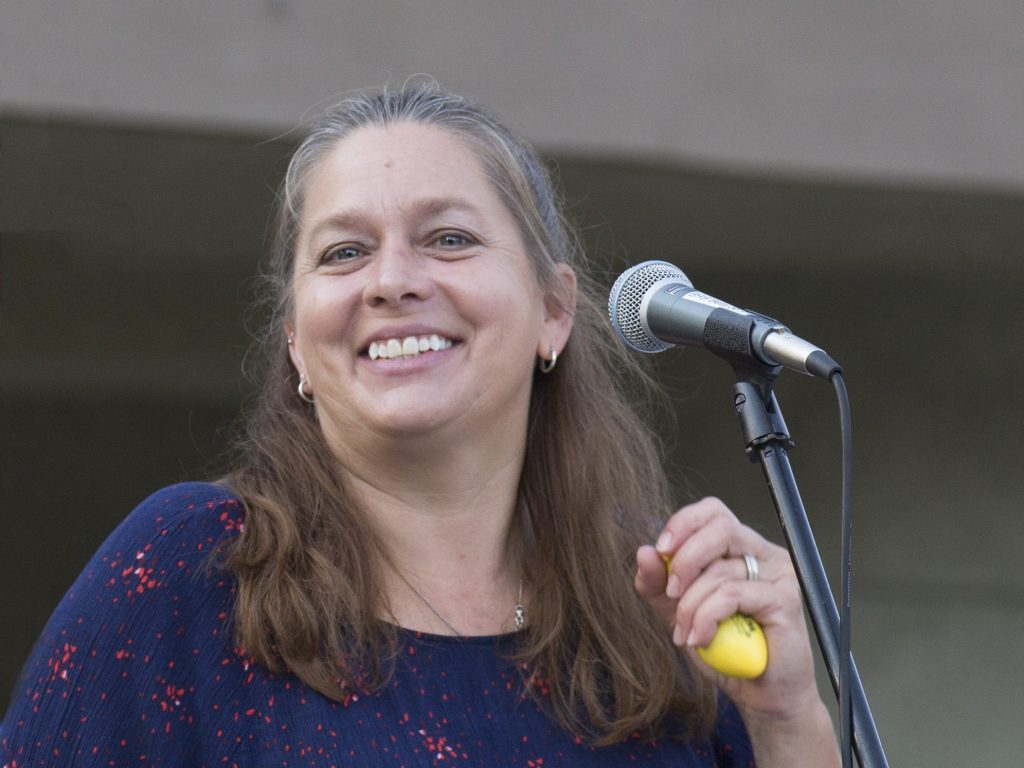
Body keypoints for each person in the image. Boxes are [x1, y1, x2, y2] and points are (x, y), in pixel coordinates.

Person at [1, 80, 838, 767]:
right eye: (344, 252)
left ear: (554, 311)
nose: (392, 280)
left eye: (448, 238)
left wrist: (787, 718)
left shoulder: (660, 603)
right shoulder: (192, 570)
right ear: (296, 343)